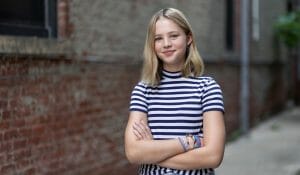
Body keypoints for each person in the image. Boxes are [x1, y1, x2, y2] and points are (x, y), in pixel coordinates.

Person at [124, 7, 225, 175]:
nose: (166, 44)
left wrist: (152, 152)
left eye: (174, 36)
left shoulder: (207, 88)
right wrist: (189, 142)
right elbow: (134, 153)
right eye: (158, 38)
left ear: (188, 39)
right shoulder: (143, 91)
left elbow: (213, 156)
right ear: (152, 44)